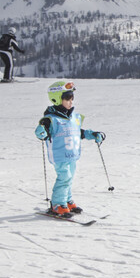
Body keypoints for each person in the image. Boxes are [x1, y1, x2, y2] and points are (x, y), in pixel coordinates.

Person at [34, 81, 105, 217]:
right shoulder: (50, 119)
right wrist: (41, 132)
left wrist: (93, 134)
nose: (70, 101)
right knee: (64, 177)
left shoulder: (73, 117)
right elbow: (41, 132)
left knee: (69, 177)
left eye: (72, 98)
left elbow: (78, 132)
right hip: (60, 155)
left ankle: (66, 200)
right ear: (56, 98)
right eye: (67, 98)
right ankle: (57, 204)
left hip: (72, 154)